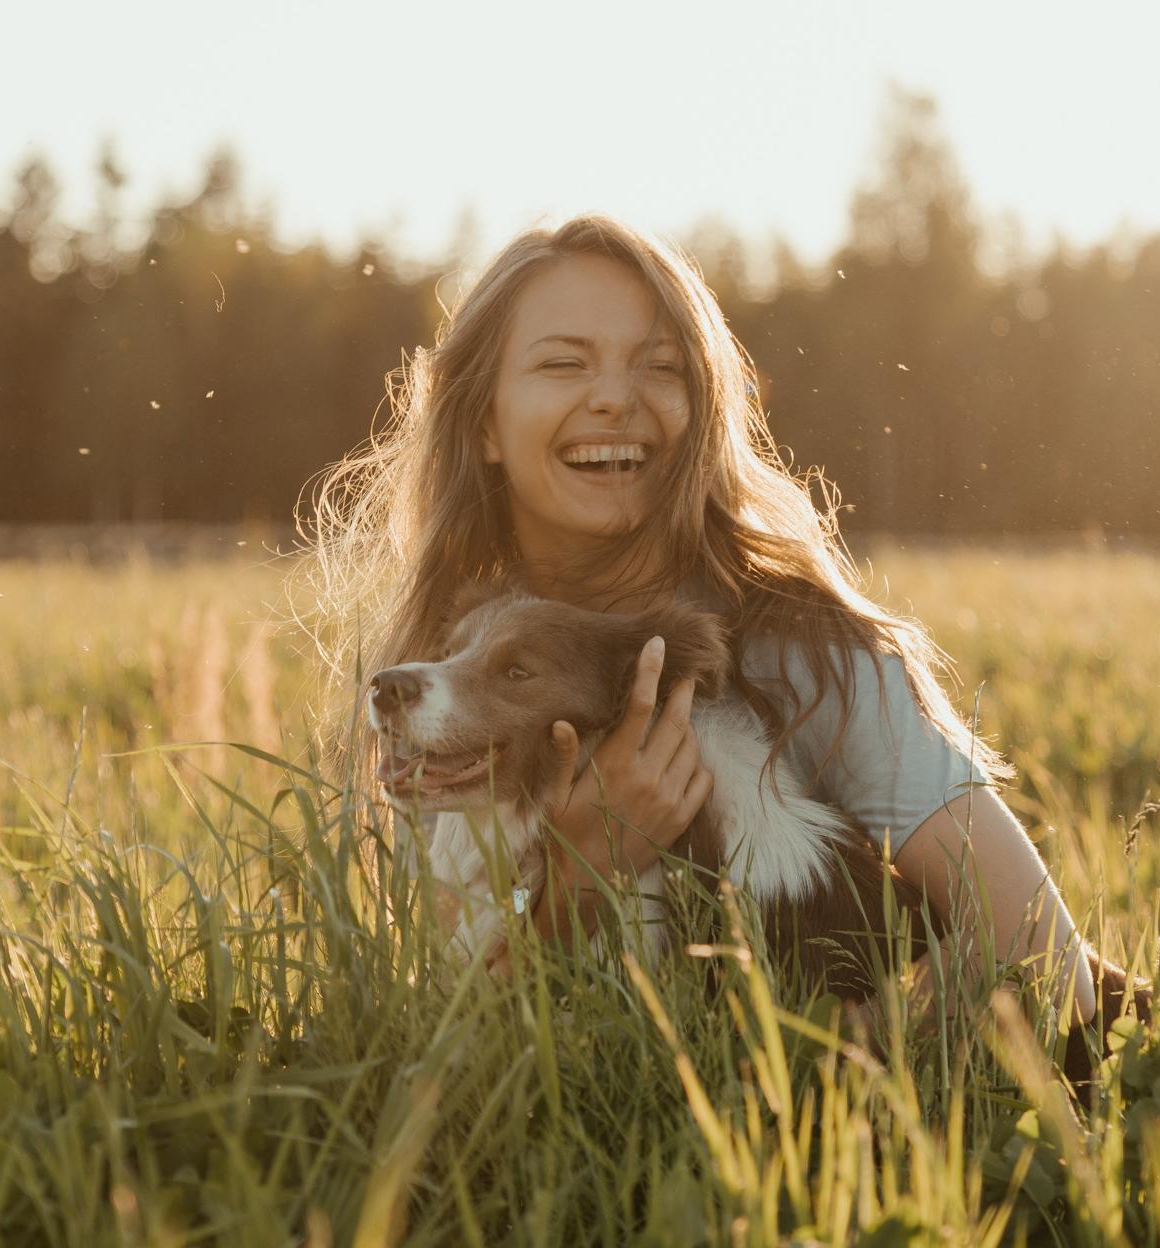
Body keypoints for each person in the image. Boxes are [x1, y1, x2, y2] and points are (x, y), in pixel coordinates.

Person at [305, 213, 1097, 1035]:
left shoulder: (809, 652)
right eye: (563, 362)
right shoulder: (438, 686)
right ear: (482, 422)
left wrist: (827, 1061)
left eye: (661, 367)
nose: (615, 397)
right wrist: (582, 875)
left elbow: (1048, 961)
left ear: (704, 410)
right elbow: (451, 1036)